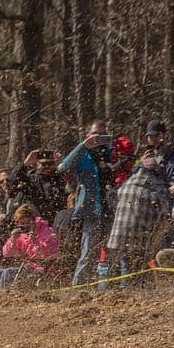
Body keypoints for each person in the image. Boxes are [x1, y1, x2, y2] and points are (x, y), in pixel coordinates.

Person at [59, 120, 115, 286]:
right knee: (88, 252)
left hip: (110, 209)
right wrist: (83, 146)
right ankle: (78, 288)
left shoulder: (109, 153)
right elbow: (64, 167)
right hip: (91, 210)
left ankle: (106, 287)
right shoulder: (83, 155)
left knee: (111, 252)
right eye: (96, 133)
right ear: (88, 135)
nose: (100, 137)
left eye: (103, 133)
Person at [105, 152, 171, 285]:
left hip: (117, 235)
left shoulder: (127, 184)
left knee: (121, 267)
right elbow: (165, 212)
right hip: (138, 238)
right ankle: (129, 293)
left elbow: (112, 198)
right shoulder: (156, 189)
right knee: (134, 270)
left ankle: (118, 291)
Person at [0, 204, 59, 293]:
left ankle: (0, 297)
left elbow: (49, 255)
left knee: (8, 272)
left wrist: (36, 243)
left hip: (44, 269)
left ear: (33, 221)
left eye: (28, 222)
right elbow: (7, 254)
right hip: (27, 268)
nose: (25, 226)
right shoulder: (21, 235)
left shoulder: (46, 231)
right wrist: (12, 241)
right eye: (22, 224)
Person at [10, 149, 65, 222]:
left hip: (57, 219)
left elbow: (73, 182)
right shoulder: (30, 179)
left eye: (50, 164)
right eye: (44, 164)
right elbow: (12, 180)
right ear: (37, 164)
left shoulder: (59, 177)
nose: (47, 166)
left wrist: (63, 164)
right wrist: (25, 164)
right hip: (37, 220)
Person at [145, 119, 174, 188]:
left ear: (164, 135)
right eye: (150, 136)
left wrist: (158, 170)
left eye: (156, 135)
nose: (152, 139)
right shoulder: (147, 155)